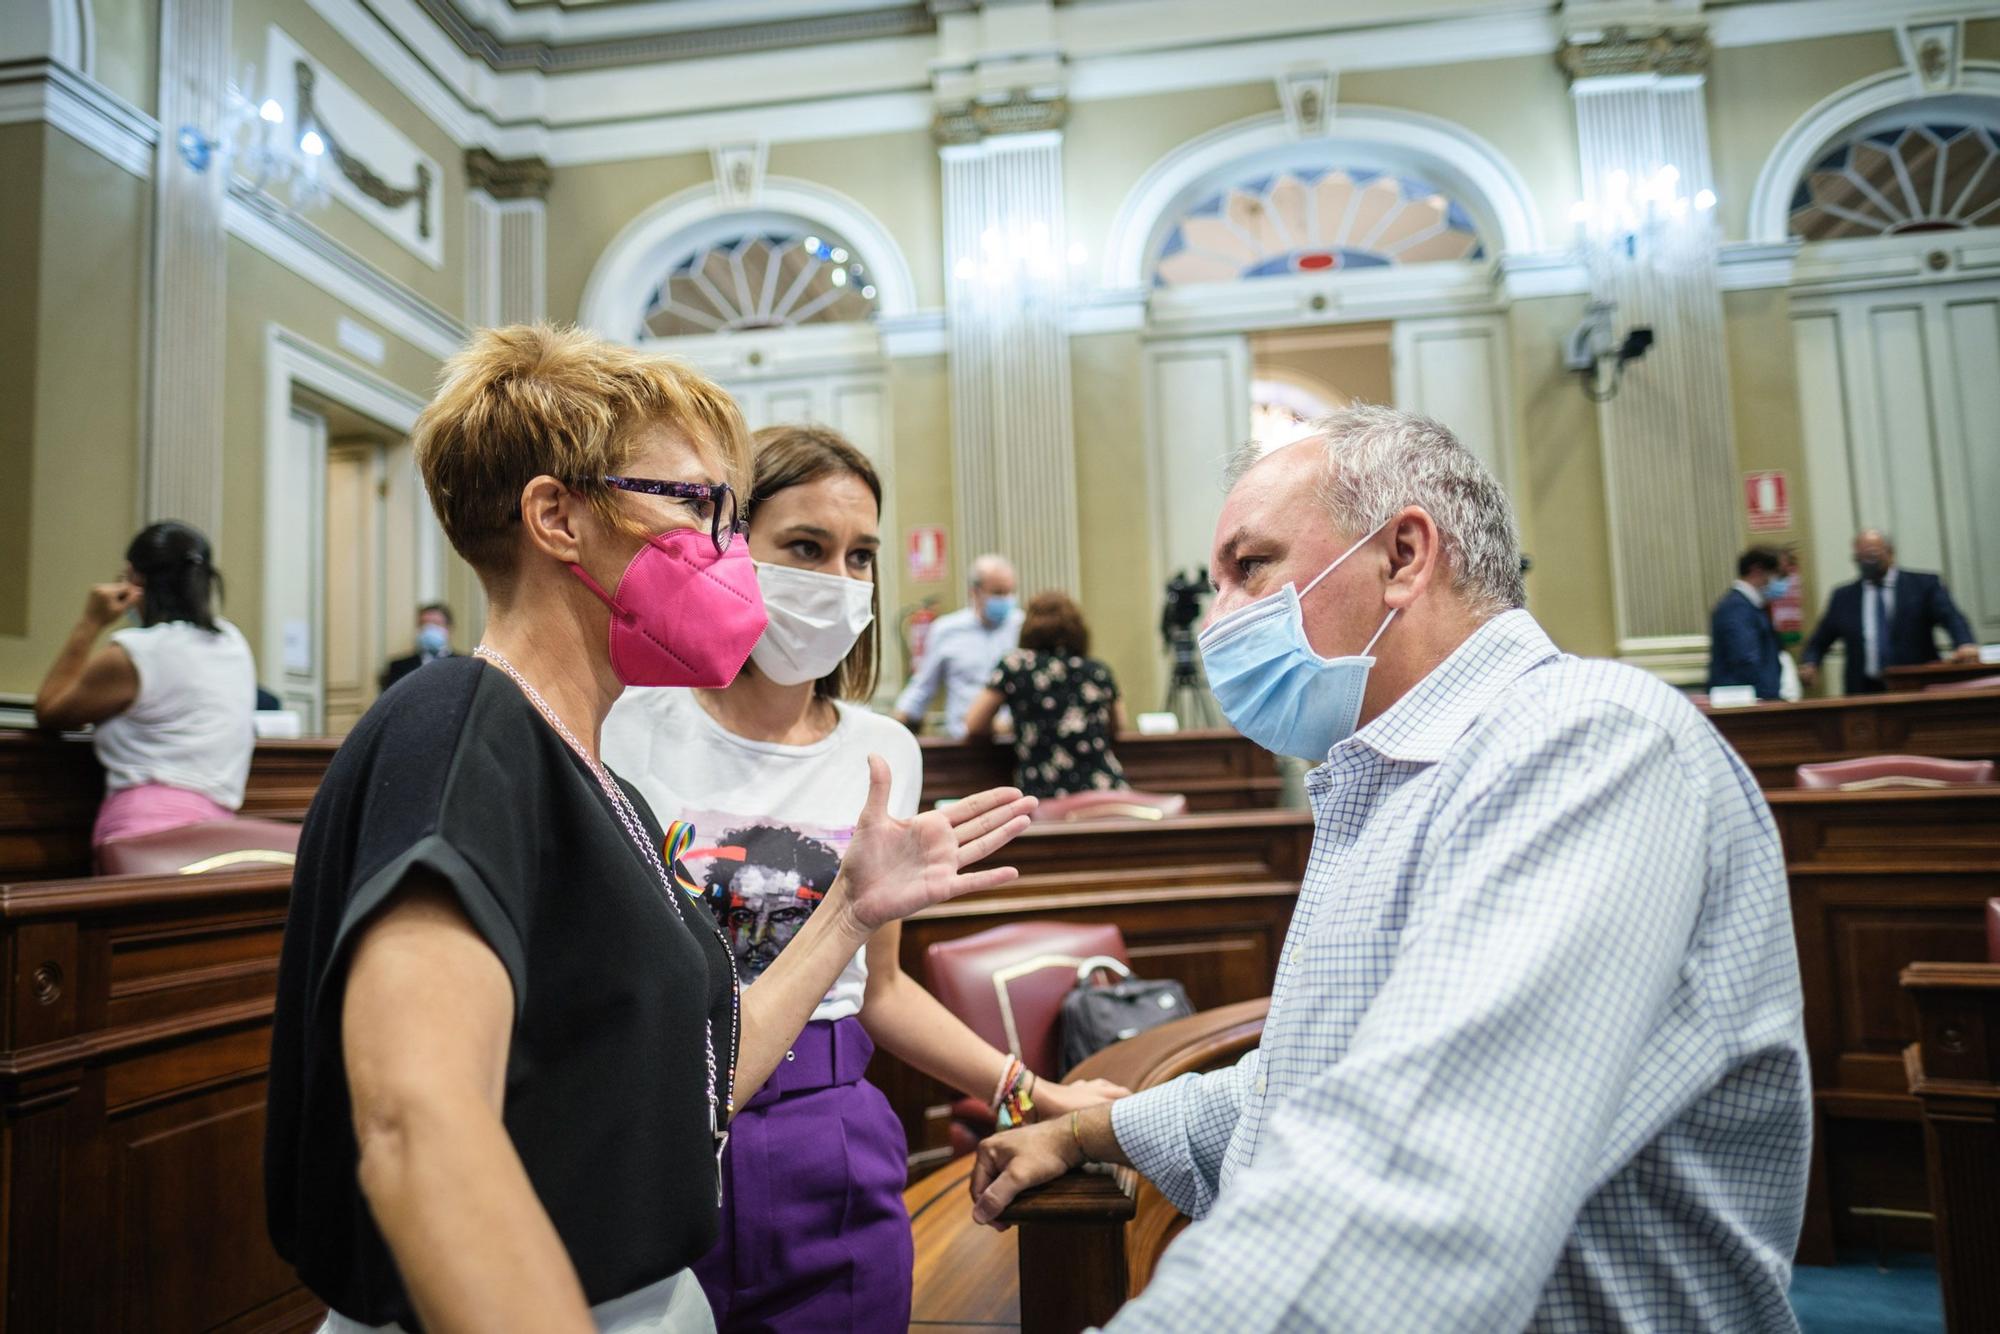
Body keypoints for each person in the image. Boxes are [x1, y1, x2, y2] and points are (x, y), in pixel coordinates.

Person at [263, 325, 1037, 1334]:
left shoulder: (596, 776)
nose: (728, 554)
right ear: (557, 517)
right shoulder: (457, 721)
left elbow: (695, 1076)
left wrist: (850, 907)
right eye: (699, 508)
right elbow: (419, 1123)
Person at [970, 406, 1810, 1331]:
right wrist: (1091, 1128)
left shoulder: (1586, 742)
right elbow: (1296, 1092)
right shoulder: (1392, 776)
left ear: (1405, 554)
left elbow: (1411, 1186)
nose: (1218, 621)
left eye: (1249, 568)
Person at [604, 425, 1123, 1331]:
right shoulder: (625, 725)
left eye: (861, 556)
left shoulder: (883, 752)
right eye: (805, 548)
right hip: (661, 1134)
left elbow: (878, 990)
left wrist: (1037, 1093)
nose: (839, 581)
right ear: (731, 543)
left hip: (830, 1135)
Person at [34, 520, 256, 849]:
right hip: (216, 827)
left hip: (143, 828)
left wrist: (90, 621)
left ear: (135, 579)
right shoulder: (233, 642)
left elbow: (50, 710)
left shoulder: (136, 652)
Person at [963, 590, 1129, 797]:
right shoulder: (1097, 670)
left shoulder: (1015, 666)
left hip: (1044, 792)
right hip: (1105, 791)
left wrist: (1011, 726)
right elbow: (1119, 724)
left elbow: (974, 724)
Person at [1800, 528, 1977, 694]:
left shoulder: (1923, 586)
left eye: (1872, 555)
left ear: (1890, 552)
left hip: (1916, 684)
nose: (1866, 563)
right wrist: (1810, 662)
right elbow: (1821, 639)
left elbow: (1952, 618)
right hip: (1864, 688)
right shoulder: (1844, 597)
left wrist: (1964, 644)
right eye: (1859, 558)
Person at [893, 553, 1021, 737]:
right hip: (964, 742)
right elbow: (923, 688)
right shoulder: (946, 630)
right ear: (975, 592)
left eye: (1009, 592)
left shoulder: (1022, 628)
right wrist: (895, 725)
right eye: (997, 592)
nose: (1005, 599)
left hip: (1011, 742)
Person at [1707, 547, 1789, 701]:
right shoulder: (1736, 608)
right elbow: (1745, 661)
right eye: (1778, 574)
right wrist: (1770, 698)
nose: (1782, 582)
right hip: (1745, 704)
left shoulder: (1753, 607)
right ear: (1757, 570)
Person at [379, 603, 455, 691]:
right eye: (423, 624)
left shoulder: (465, 664)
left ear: (449, 628)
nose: (429, 629)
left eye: (436, 623)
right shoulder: (398, 666)